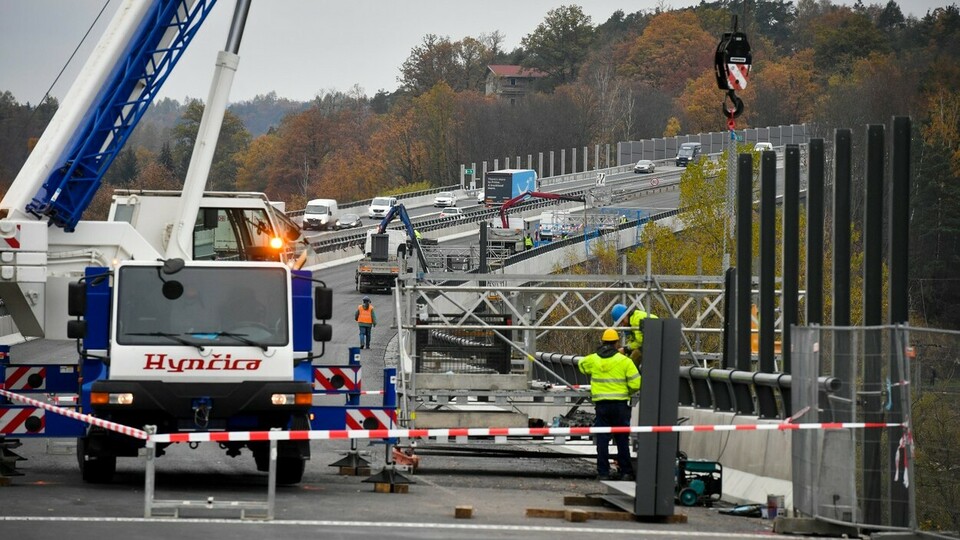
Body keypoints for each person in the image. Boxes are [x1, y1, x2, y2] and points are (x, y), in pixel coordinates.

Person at [578, 328, 641, 480]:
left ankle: (603, 472)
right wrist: (628, 391)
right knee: (622, 439)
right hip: (620, 405)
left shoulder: (593, 359)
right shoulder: (624, 361)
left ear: (603, 341)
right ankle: (626, 472)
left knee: (602, 439)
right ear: (616, 343)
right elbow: (636, 383)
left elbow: (581, 364)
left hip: (602, 405)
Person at [612, 303, 658, 368]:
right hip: (650, 342)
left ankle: (634, 375)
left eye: (622, 321)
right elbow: (632, 340)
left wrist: (625, 349)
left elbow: (640, 341)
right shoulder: (630, 322)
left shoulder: (636, 320)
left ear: (625, 314)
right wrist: (626, 350)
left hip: (656, 341)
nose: (622, 324)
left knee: (636, 355)